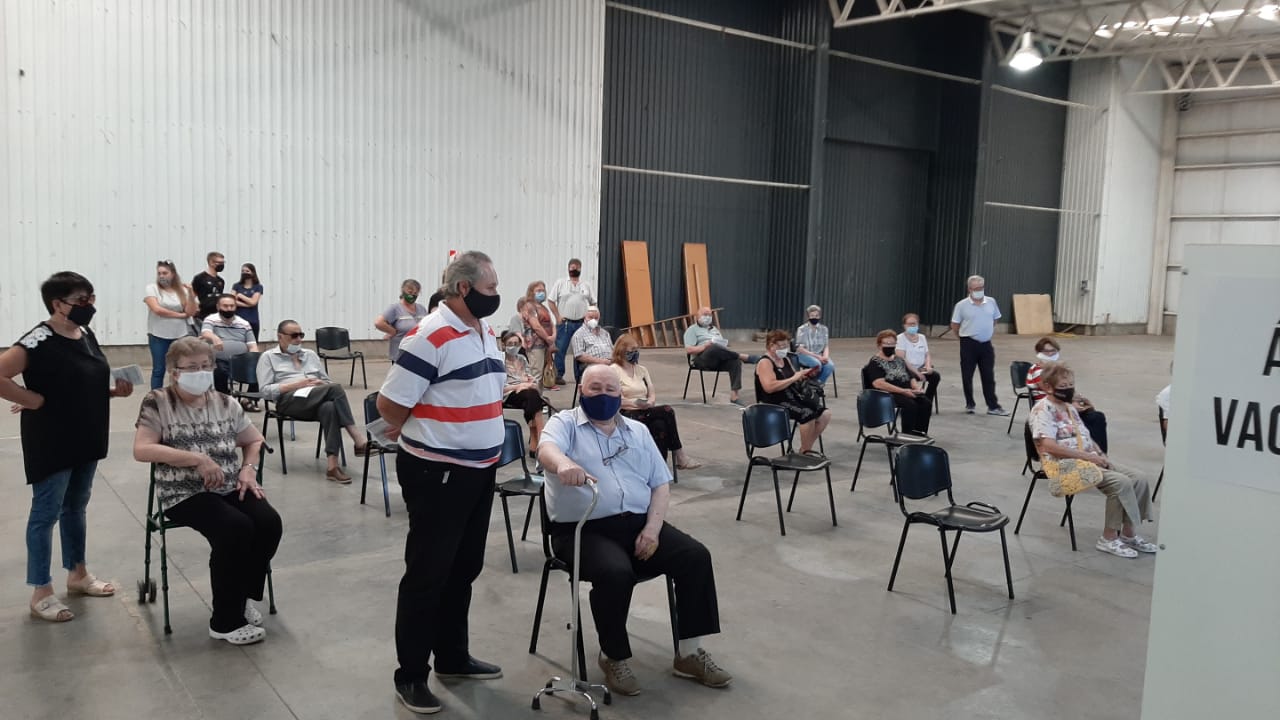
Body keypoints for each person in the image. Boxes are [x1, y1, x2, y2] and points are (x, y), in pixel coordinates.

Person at [537, 365, 731, 697]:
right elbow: (546, 450)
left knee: (695, 557)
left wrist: (653, 529)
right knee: (616, 572)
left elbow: (660, 484)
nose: (603, 394)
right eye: (595, 388)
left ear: (621, 394)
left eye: (610, 389)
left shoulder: (637, 432)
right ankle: (613, 656)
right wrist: (563, 463)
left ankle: (689, 654)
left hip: (638, 523)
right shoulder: (564, 424)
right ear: (581, 390)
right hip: (581, 530)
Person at [376, 250, 506, 715]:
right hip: (439, 473)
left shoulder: (483, 329)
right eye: (491, 288)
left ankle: (452, 656)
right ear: (464, 288)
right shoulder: (429, 335)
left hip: (480, 469)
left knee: (463, 568)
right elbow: (389, 406)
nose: (497, 295)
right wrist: (433, 433)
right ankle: (411, 674)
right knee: (428, 574)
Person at [0, 272, 134, 622]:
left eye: (91, 298)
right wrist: (31, 400)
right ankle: (41, 590)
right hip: (52, 438)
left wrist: (112, 392)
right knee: (46, 512)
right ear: (57, 304)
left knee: (76, 507)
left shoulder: (84, 333)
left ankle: (78, 573)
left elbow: (79, 381)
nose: (89, 306)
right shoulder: (37, 340)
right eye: (81, 300)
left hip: (86, 433)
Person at [132, 337, 281, 646]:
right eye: (191, 367)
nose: (200, 372)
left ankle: (240, 596)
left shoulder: (225, 402)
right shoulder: (158, 401)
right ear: (174, 372)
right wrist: (196, 459)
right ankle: (225, 622)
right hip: (183, 490)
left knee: (268, 523)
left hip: (228, 483)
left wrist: (248, 468)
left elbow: (254, 440)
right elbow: (142, 449)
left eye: (205, 366)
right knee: (235, 528)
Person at [1030, 362, 1157, 559]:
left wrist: (1100, 455)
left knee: (1139, 478)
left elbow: (1086, 436)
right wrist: (1088, 457)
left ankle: (1128, 533)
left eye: (1071, 385)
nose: (1068, 390)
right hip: (1063, 465)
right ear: (1047, 386)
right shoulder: (1042, 411)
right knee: (1120, 482)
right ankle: (1108, 538)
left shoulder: (1069, 408)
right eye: (1063, 386)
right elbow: (1049, 446)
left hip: (1089, 458)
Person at [257, 320, 368, 484]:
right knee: (336, 389)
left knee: (330, 407)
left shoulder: (310, 355)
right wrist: (297, 385)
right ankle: (358, 439)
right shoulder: (268, 357)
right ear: (280, 337)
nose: (298, 339)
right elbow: (265, 391)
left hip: (315, 396)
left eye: (301, 335)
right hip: (289, 400)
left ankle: (332, 466)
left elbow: (327, 381)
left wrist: (320, 383)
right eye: (294, 336)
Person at [612, 335, 701, 470]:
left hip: (646, 409)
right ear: (622, 351)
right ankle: (679, 454)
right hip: (626, 412)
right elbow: (618, 399)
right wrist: (637, 403)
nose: (635, 353)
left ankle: (659, 467)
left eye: (637, 349)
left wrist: (650, 401)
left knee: (660, 425)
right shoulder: (613, 370)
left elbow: (651, 391)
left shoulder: (642, 370)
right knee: (667, 410)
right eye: (632, 350)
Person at [1025, 336, 1108, 452]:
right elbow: (1053, 393)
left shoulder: (1057, 370)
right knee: (1094, 419)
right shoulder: (1039, 372)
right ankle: (1091, 453)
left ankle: (1098, 453)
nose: (1050, 354)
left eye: (1053, 351)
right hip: (1052, 408)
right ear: (1039, 352)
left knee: (1095, 416)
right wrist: (1070, 405)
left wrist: (1079, 402)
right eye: (1046, 351)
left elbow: (1069, 392)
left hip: (1063, 404)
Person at [754, 330, 830, 454]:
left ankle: (805, 448)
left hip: (791, 396)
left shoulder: (785, 360)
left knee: (824, 414)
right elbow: (769, 387)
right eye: (781, 346)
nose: (785, 349)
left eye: (786, 346)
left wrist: (803, 375)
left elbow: (794, 377)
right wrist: (793, 378)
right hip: (774, 401)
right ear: (771, 346)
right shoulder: (765, 362)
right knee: (807, 415)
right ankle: (806, 451)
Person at [949, 274, 1009, 416]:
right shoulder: (961, 305)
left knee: (988, 375)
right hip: (968, 343)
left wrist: (986, 331)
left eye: (981, 288)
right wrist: (962, 338)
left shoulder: (991, 302)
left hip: (986, 344)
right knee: (967, 375)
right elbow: (955, 325)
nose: (979, 291)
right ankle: (970, 403)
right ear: (969, 289)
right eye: (975, 288)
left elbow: (995, 319)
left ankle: (993, 406)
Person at [144, 260, 199, 390]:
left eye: (165, 273)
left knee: (180, 368)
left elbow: (190, 312)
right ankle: (156, 396)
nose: (161, 276)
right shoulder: (152, 288)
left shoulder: (182, 290)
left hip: (180, 334)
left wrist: (191, 295)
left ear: (173, 274)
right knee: (159, 369)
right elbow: (157, 310)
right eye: (159, 273)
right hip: (158, 335)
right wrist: (181, 315)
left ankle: (180, 394)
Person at [867, 330, 932, 437]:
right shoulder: (875, 362)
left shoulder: (899, 360)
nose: (890, 346)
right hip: (889, 393)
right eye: (887, 344)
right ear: (879, 345)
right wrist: (903, 391)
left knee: (925, 403)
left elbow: (910, 376)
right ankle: (907, 435)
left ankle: (920, 433)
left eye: (893, 344)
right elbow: (878, 383)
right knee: (910, 405)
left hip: (907, 390)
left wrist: (916, 388)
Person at [684, 306, 752, 406]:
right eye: (705, 314)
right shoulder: (692, 330)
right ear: (697, 316)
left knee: (735, 361)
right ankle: (742, 356)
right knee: (713, 347)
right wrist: (705, 346)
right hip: (702, 359)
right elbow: (689, 350)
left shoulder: (714, 329)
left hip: (717, 359)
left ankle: (734, 396)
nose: (707, 317)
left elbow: (722, 347)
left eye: (709, 315)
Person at [202, 294, 260, 399]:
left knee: (257, 367)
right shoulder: (211, 319)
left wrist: (255, 360)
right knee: (219, 371)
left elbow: (252, 345)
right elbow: (206, 333)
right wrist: (215, 338)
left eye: (232, 306)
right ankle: (224, 398)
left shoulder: (244, 323)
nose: (229, 309)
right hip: (218, 360)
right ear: (218, 307)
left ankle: (248, 399)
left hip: (241, 361)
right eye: (225, 306)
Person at [549, 257, 596, 385]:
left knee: (580, 351)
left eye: (577, 268)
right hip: (565, 323)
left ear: (580, 269)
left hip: (581, 323)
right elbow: (551, 301)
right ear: (568, 269)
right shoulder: (561, 283)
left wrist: (590, 317)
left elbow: (593, 302)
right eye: (572, 267)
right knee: (560, 349)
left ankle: (580, 376)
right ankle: (558, 375)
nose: (574, 270)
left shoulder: (586, 285)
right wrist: (557, 316)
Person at [501, 330, 548, 456]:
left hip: (526, 392)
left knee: (531, 395)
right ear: (503, 345)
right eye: (510, 344)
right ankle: (540, 437)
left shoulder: (522, 359)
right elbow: (499, 387)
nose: (513, 346)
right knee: (532, 396)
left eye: (516, 344)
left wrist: (530, 382)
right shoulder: (500, 361)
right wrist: (519, 386)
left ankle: (535, 436)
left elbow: (529, 376)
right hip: (509, 393)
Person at [374, 279, 430, 361]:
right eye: (410, 292)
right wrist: (392, 331)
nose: (412, 295)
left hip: (419, 355)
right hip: (401, 356)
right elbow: (379, 323)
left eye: (415, 293)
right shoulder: (395, 308)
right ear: (403, 291)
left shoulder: (421, 309)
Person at [896, 313, 940, 408]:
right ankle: (912, 403)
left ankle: (927, 402)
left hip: (920, 368)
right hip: (907, 370)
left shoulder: (922, 337)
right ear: (904, 325)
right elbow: (902, 359)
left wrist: (928, 366)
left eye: (914, 324)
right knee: (908, 378)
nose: (912, 326)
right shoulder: (900, 338)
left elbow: (927, 354)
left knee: (935, 376)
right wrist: (916, 373)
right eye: (909, 324)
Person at [521, 280, 557, 388]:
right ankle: (534, 396)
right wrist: (547, 338)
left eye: (543, 290)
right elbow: (536, 326)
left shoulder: (544, 307)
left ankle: (540, 396)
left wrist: (553, 336)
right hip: (536, 345)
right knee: (536, 373)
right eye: (538, 290)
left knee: (544, 373)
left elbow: (551, 323)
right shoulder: (529, 307)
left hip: (546, 344)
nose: (542, 293)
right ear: (531, 292)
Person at [794, 305, 835, 387]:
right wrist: (818, 357)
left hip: (820, 354)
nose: (814, 317)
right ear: (808, 317)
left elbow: (826, 345)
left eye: (817, 315)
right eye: (812, 315)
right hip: (804, 354)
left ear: (819, 316)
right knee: (817, 364)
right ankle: (809, 383)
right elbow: (800, 348)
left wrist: (825, 357)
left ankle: (817, 384)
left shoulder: (824, 329)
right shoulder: (801, 329)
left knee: (830, 366)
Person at [570, 306, 614, 380]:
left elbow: (612, 349)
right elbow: (579, 355)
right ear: (584, 317)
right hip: (592, 366)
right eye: (590, 317)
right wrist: (602, 361)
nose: (593, 320)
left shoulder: (605, 333)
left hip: (610, 364)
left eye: (596, 318)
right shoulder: (578, 334)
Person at [231, 263, 264, 341]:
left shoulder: (258, 287)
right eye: (243, 271)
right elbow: (232, 301)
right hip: (238, 319)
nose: (244, 273)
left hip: (252, 319)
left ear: (253, 272)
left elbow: (253, 302)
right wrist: (247, 305)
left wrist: (240, 295)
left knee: (253, 341)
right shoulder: (236, 286)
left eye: (247, 271)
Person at [191, 251, 227, 320]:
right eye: (219, 263)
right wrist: (195, 307)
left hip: (217, 314)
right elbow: (192, 296)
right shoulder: (200, 278)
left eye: (223, 263)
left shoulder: (221, 280)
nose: (222, 265)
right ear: (211, 263)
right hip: (204, 314)